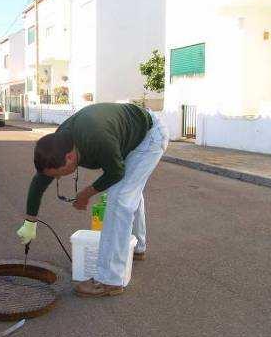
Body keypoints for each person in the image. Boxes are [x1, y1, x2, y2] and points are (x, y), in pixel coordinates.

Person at [17, 103, 169, 297]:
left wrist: (85, 195)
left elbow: (115, 172)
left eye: (59, 174)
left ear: (70, 158)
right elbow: (40, 180)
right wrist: (30, 222)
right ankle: (136, 247)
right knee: (129, 192)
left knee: (120, 199)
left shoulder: (97, 139)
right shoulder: (58, 144)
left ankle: (110, 280)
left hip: (149, 138)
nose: (56, 178)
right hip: (127, 133)